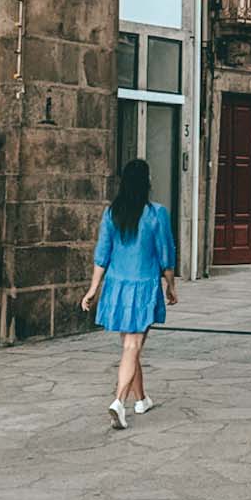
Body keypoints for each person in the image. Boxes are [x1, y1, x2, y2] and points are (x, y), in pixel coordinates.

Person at [81, 158, 178, 429]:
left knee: (131, 348)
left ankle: (142, 399)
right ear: (146, 182)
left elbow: (102, 254)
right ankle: (119, 401)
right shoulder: (156, 214)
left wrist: (93, 289)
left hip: (117, 287)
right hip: (143, 287)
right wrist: (171, 286)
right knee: (132, 346)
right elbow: (166, 255)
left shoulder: (112, 213)